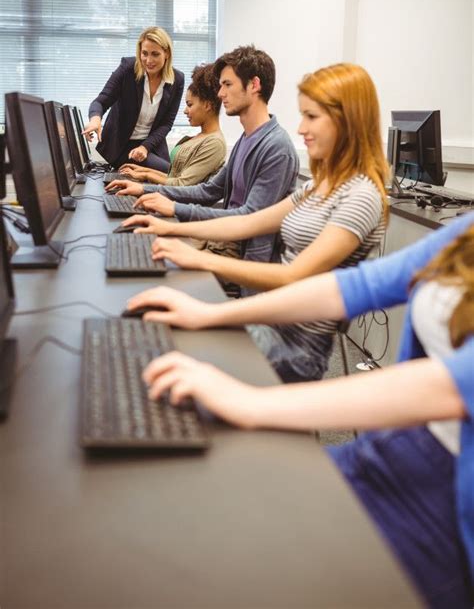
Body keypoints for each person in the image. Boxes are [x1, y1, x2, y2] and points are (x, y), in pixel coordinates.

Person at [128, 213, 474, 608]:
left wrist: (248, 402)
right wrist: (210, 313)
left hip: (449, 501)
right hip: (404, 442)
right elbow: (357, 286)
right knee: (228, 516)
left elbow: (454, 384)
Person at [120, 63, 388, 381]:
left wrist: (199, 262)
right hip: (269, 321)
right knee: (158, 335)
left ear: (349, 119)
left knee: (166, 352)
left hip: (296, 351)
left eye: (312, 117)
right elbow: (248, 223)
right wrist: (171, 227)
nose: (301, 128)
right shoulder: (320, 185)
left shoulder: (362, 196)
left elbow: (293, 277)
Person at [106, 45, 299, 273]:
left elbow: (248, 218)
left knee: (150, 272)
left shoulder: (277, 148)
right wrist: (145, 191)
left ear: (254, 85)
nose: (220, 94)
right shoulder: (246, 140)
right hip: (218, 243)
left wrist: (174, 208)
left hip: (240, 259)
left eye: (227, 85)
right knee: (140, 252)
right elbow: (208, 190)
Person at [107, 63, 226, 188]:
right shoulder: (200, 137)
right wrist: (142, 171)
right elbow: (174, 176)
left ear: (207, 105)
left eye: (190, 105)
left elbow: (182, 184)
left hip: (177, 203)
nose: (185, 111)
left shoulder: (214, 143)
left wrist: (146, 176)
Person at [82, 26, 184, 171]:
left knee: (172, 175)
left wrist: (145, 147)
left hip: (151, 146)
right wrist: (95, 119)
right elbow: (101, 101)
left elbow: (166, 123)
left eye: (155, 54)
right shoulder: (127, 69)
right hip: (122, 146)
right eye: (144, 53)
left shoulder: (177, 80)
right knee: (170, 173)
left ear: (166, 53)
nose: (148, 60)